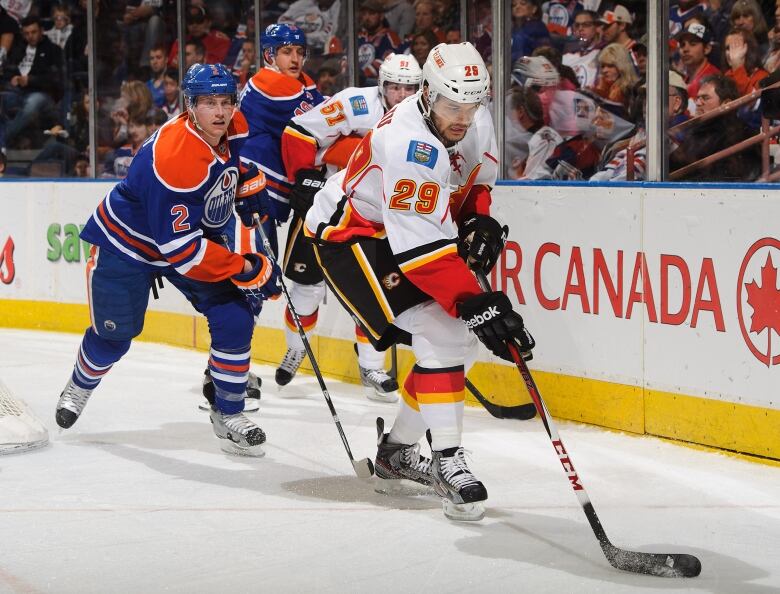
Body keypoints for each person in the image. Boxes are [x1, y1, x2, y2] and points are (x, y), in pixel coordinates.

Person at [304, 42, 535, 521]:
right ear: (427, 93)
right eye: (453, 105)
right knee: (450, 330)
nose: (463, 116)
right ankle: (446, 459)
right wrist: (479, 303)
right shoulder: (410, 143)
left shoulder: (472, 115)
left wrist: (478, 219)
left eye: (471, 105)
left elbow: (475, 182)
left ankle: (397, 454)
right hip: (350, 236)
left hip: (400, 232)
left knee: (451, 341)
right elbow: (420, 254)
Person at [55, 63, 281, 457]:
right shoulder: (176, 159)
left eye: (226, 101)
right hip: (129, 245)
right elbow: (185, 253)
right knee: (114, 337)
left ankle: (228, 414)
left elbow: (234, 165)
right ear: (190, 105)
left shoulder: (233, 125)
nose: (220, 111)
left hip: (187, 236)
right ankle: (80, 385)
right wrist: (247, 267)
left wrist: (247, 187)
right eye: (209, 102)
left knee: (235, 314)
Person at [278, 53, 422, 401]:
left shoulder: (423, 116)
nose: (401, 95)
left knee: (374, 293)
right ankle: (297, 349)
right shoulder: (355, 102)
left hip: (378, 218)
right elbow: (300, 130)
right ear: (381, 85)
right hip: (327, 207)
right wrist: (303, 177)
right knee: (305, 288)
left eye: (409, 88)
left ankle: (372, 365)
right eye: (394, 87)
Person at [670, 73, 760, 180]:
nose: (698, 103)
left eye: (705, 98)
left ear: (726, 104)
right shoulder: (696, 132)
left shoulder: (741, 135)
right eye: (697, 98)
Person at [0, 16, 63, 149]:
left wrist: (31, 80)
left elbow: (56, 79)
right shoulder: (18, 49)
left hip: (42, 94)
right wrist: (14, 77)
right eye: (27, 33)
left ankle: (3, 141)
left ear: (41, 31)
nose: (30, 36)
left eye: (33, 32)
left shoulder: (53, 50)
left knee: (32, 103)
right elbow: (7, 69)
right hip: (16, 92)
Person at [676, 22, 720, 113]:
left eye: (693, 44)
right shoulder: (683, 80)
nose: (685, 49)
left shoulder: (713, 78)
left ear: (707, 48)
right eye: (682, 45)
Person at [563, 10, 601, 88]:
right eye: (577, 25)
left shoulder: (602, 54)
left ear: (597, 28)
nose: (580, 29)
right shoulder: (568, 53)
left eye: (586, 25)